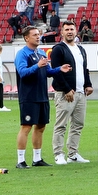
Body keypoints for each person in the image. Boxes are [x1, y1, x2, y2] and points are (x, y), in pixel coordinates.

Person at [15, 27, 70, 169]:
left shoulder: (40, 53)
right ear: (26, 38)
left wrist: (59, 69)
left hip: (42, 96)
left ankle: (37, 158)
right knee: (26, 127)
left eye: (38, 34)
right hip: (28, 96)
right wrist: (37, 66)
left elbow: (47, 71)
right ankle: (20, 160)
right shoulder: (22, 54)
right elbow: (23, 73)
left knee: (40, 127)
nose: (38, 37)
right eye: (34, 35)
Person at [49, 21, 93, 165]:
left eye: (72, 29)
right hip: (66, 93)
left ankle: (73, 154)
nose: (69, 32)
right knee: (61, 124)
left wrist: (88, 84)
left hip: (80, 93)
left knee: (78, 124)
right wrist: (66, 89)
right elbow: (56, 71)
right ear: (61, 32)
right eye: (66, 29)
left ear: (76, 32)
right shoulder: (58, 49)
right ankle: (58, 154)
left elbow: (84, 69)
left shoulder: (81, 49)